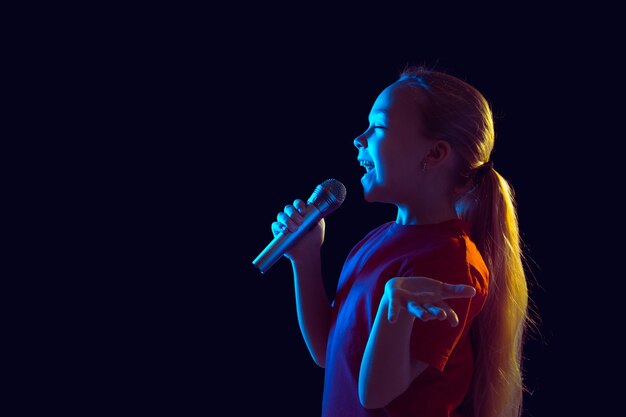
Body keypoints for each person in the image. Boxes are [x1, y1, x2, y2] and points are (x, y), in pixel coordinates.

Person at [270, 66, 530, 417]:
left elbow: (375, 394)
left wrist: (395, 311)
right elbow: (327, 353)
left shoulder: (453, 262)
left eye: (377, 127)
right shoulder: (376, 240)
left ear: (435, 154)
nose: (358, 139)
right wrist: (305, 258)